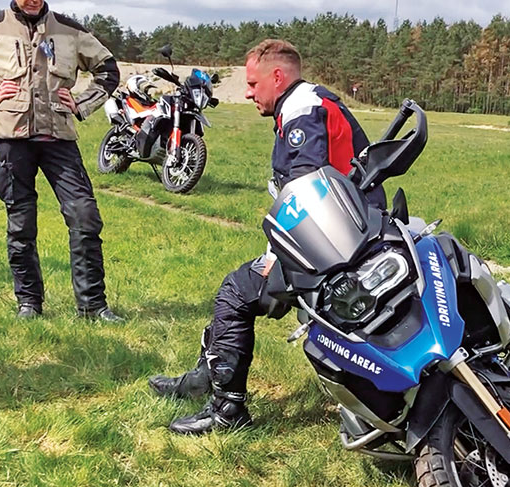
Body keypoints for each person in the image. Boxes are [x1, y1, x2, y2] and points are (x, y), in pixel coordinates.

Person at [148, 39, 384, 435]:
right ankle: (204, 379)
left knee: (236, 293)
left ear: (278, 77)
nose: (247, 92)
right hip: (345, 234)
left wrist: (280, 254)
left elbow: (307, 188)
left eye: (254, 84)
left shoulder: (302, 109)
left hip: (338, 249)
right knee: (239, 291)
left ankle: (227, 409)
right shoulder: (308, 103)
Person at [0, 0, 123, 321]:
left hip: (59, 139)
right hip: (11, 139)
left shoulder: (70, 30)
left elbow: (108, 69)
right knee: (21, 225)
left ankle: (92, 305)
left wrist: (81, 103)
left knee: (85, 216)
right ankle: (29, 303)